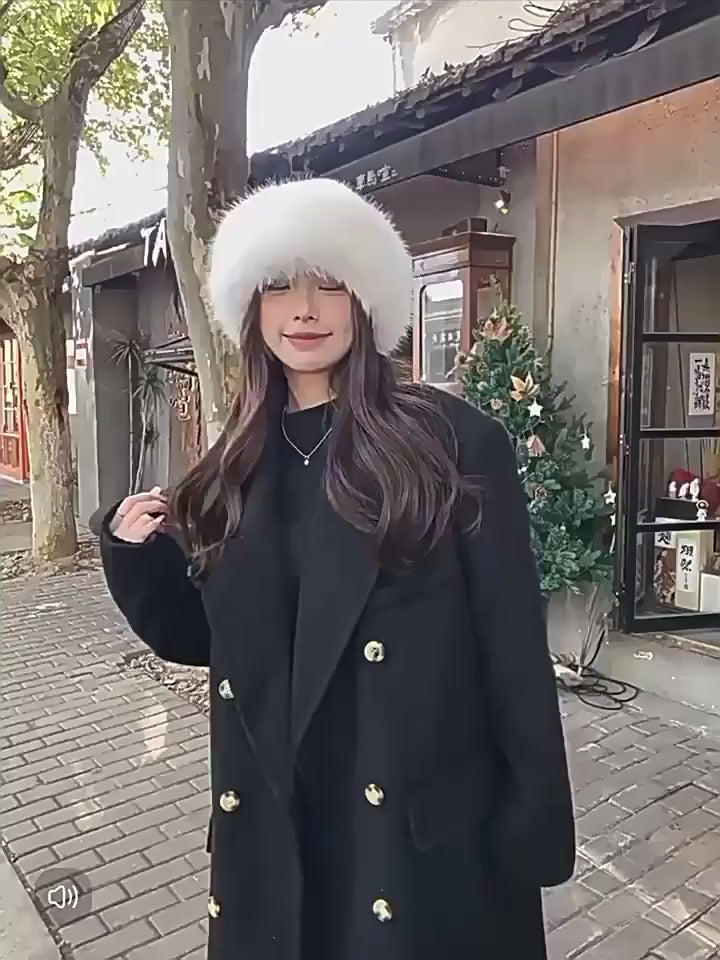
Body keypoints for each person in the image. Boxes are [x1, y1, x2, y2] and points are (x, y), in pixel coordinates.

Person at [99, 176, 575, 960]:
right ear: (252, 309)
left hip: (408, 831)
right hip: (280, 825)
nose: (305, 311)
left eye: (328, 285)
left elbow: (512, 652)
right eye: (279, 287)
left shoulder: (452, 443)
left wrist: (533, 818)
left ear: (365, 301)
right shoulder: (238, 461)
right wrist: (136, 554)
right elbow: (215, 641)